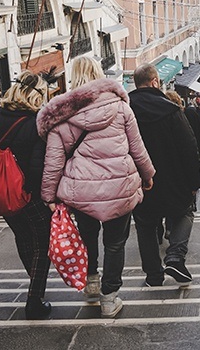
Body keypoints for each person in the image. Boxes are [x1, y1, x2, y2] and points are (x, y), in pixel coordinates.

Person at [38, 57, 155, 318]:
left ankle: (91, 281)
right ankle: (109, 298)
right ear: (99, 74)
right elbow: (138, 149)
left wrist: (48, 195)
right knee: (115, 243)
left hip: (82, 192)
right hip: (119, 187)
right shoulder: (121, 108)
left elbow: (54, 161)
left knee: (88, 236)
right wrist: (148, 175)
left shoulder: (62, 114)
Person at [0, 71, 52, 319]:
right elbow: (39, 168)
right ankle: (34, 299)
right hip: (30, 195)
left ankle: (34, 286)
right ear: (37, 96)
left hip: (2, 195)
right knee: (44, 243)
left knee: (24, 238)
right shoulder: (37, 123)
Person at [129, 63, 200, 286]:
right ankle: (175, 257)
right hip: (173, 178)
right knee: (184, 212)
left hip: (140, 180)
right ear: (155, 82)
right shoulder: (170, 109)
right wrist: (193, 182)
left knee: (145, 224)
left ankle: (153, 275)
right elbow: (189, 147)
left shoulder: (126, 110)